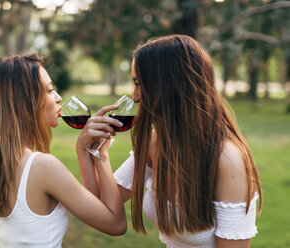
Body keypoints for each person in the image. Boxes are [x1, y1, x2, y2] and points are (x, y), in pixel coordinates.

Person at [77, 34, 262, 248]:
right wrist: (92, 152)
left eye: (139, 84)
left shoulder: (227, 159)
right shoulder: (157, 143)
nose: (135, 96)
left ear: (169, 86)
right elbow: (102, 206)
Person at [0, 54, 126, 248]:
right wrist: (101, 155)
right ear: (24, 100)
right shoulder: (43, 167)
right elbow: (115, 224)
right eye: (49, 90)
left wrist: (85, 152)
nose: (58, 98)